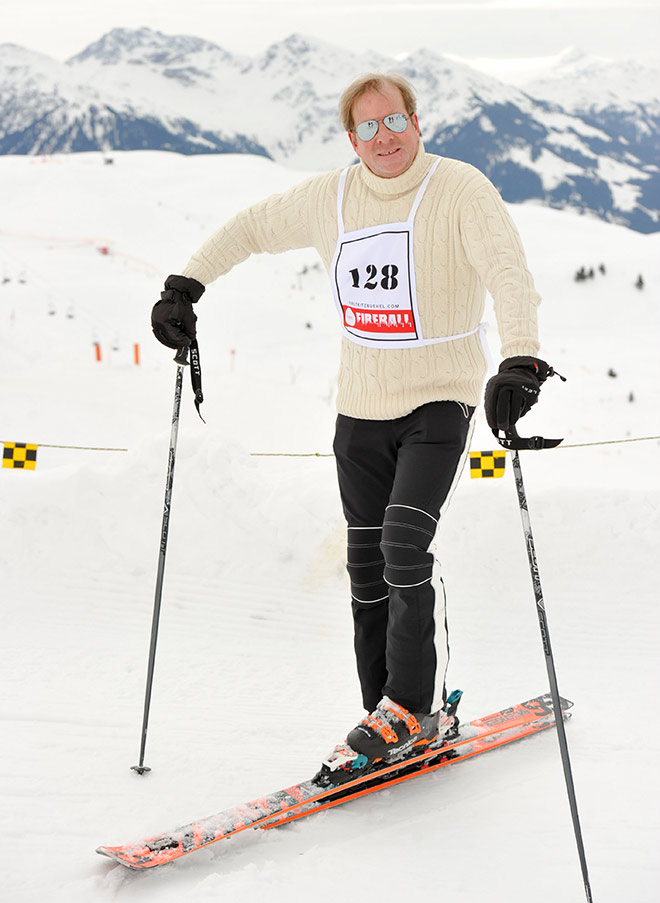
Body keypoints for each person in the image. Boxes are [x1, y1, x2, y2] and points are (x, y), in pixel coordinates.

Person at [152, 73, 551, 774]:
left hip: (439, 398)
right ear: (351, 139)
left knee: (403, 543)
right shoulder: (329, 197)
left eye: (394, 122)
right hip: (359, 411)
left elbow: (508, 273)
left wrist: (518, 361)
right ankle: (385, 714)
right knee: (366, 569)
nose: (384, 138)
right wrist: (185, 285)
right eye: (367, 128)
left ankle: (409, 705)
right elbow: (248, 228)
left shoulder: (460, 189)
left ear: (416, 122)